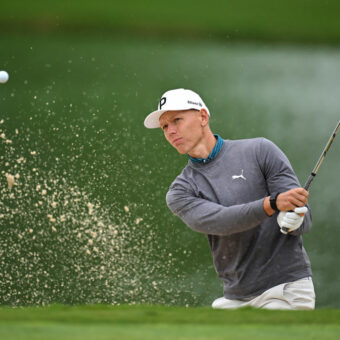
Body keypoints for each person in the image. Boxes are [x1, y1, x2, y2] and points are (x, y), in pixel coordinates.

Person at [144, 88, 315, 310]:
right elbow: (222, 222)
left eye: (177, 120)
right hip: (235, 297)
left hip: (284, 289)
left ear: (203, 117)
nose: (170, 131)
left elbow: (304, 217)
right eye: (165, 126)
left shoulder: (261, 151)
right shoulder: (180, 191)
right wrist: (272, 204)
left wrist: (296, 218)